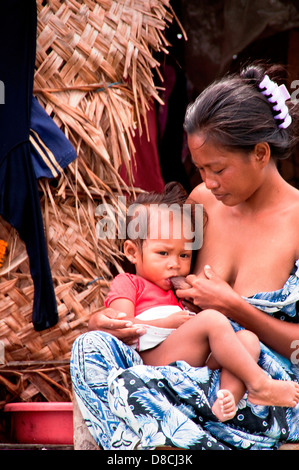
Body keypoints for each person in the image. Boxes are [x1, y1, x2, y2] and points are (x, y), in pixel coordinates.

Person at [71, 63, 299, 450]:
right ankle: (171, 431)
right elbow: (157, 280)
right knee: (88, 349)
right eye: (200, 169)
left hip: (255, 388)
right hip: (182, 364)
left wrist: (234, 307)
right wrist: (108, 319)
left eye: (219, 169)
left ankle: (170, 432)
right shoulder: (202, 204)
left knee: (135, 389)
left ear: (261, 153)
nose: (208, 182)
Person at [105, 182, 299, 422]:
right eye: (163, 253)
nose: (175, 263)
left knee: (248, 341)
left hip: (193, 364)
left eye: (184, 255)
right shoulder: (128, 283)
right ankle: (259, 383)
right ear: (133, 252)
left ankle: (224, 401)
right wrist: (170, 322)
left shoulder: (178, 290)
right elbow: (123, 329)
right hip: (153, 359)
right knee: (212, 321)